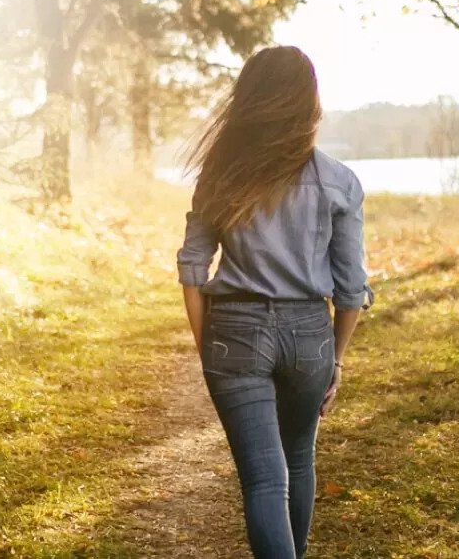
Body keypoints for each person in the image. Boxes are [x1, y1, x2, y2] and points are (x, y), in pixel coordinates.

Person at [176, 46, 372, 558]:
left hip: (233, 332)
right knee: (298, 460)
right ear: (309, 103)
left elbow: (193, 268)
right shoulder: (339, 181)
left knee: (264, 478)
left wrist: (208, 345)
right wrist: (336, 358)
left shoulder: (220, 175)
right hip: (310, 336)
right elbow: (351, 288)